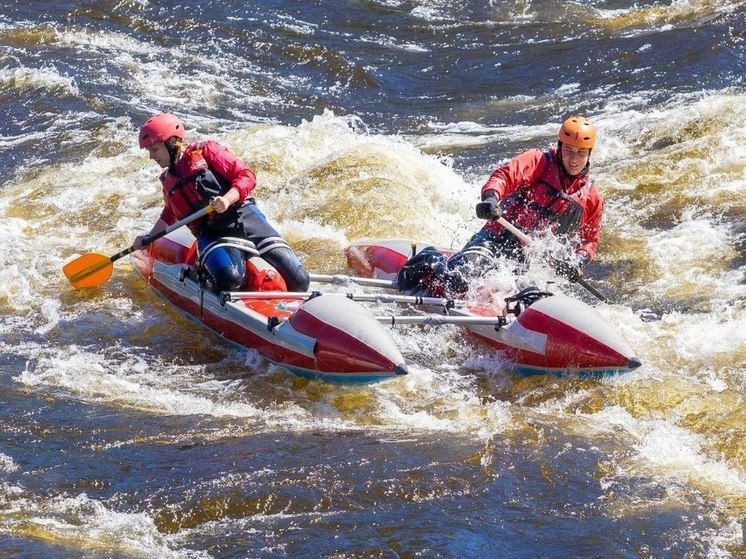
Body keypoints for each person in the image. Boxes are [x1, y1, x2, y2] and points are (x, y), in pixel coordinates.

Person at [397, 116, 604, 296]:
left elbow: (590, 240)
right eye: (568, 150)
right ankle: (429, 259)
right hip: (495, 239)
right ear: (559, 147)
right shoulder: (538, 161)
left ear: (589, 154)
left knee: (528, 297)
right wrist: (491, 199)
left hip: (527, 260)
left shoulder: (591, 198)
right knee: (458, 282)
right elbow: (504, 177)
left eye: (580, 153)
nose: (573, 159)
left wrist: (577, 263)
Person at [134, 113, 310, 293]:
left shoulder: (206, 151)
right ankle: (200, 274)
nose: (151, 156)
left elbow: (246, 175)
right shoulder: (167, 180)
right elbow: (170, 214)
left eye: (154, 149)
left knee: (300, 280)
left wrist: (227, 199)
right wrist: (149, 239)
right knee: (230, 279)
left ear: (172, 142)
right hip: (211, 234)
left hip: (245, 218)